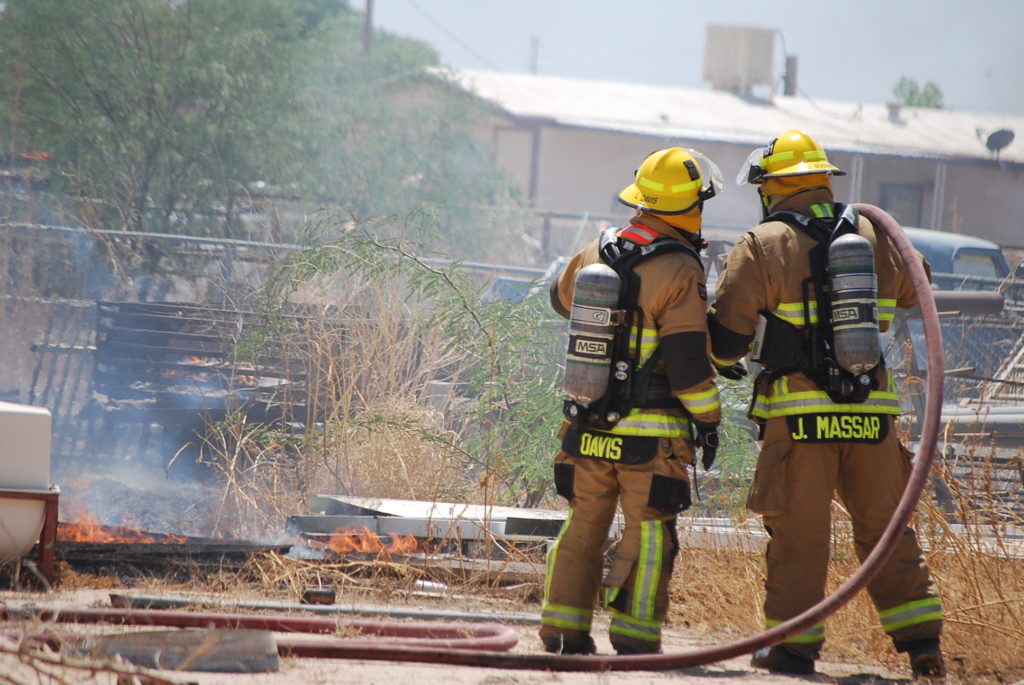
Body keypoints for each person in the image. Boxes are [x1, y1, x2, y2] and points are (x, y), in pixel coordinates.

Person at [707, 129, 945, 678]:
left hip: (800, 417)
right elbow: (919, 288)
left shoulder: (763, 243)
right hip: (871, 414)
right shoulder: (873, 233)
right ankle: (923, 644)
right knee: (886, 529)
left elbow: (728, 341)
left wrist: (721, 356)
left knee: (801, 534)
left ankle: (793, 649)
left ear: (772, 187)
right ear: (822, 181)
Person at [539, 147, 724, 656]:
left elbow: (560, 299)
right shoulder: (680, 267)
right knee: (649, 534)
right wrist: (709, 419)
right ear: (692, 206)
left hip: (586, 426)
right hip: (651, 438)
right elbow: (687, 368)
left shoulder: (598, 248)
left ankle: (563, 630)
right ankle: (635, 637)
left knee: (583, 525)